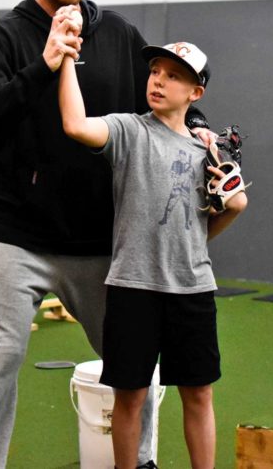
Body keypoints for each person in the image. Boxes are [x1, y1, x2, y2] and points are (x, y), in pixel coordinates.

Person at [0, 0, 209, 468]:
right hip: (15, 235)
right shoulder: (1, 37)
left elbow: (165, 101)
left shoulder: (117, 35)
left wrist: (205, 132)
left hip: (102, 241)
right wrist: (43, 66)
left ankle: (140, 462)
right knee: (0, 361)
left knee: (134, 366)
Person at [58, 37, 247, 469]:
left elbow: (214, 217)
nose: (158, 81)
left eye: (173, 76)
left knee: (199, 394)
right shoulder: (129, 130)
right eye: (155, 71)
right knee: (131, 396)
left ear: (195, 93)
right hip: (132, 288)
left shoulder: (208, 150)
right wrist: (67, 60)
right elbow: (74, 124)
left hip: (193, 288)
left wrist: (235, 206)